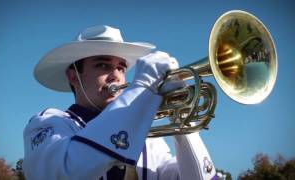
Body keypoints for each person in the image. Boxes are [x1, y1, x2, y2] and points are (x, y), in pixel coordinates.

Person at [23, 25, 217, 180]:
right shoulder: (49, 123)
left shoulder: (147, 138)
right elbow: (67, 171)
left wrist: (183, 121)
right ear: (74, 77)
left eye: (121, 68)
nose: (116, 76)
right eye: (103, 65)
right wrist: (143, 86)